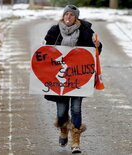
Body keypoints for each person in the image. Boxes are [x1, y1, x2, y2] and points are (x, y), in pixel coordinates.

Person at [43, 4, 102, 154]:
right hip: (60, 79)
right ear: (63, 16)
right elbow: (45, 52)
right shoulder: (54, 31)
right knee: (61, 111)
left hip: (78, 78)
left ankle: (76, 141)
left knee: (76, 108)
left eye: (71, 15)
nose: (68, 17)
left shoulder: (85, 31)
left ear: (76, 17)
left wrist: (97, 45)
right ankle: (63, 129)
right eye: (66, 14)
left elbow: (94, 52)